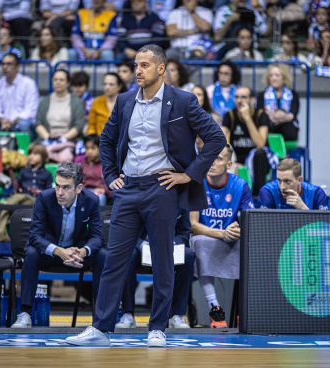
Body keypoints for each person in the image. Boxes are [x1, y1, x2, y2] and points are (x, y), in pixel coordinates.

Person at [65, 44, 226, 347]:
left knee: (162, 259)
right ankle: (100, 329)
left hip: (162, 187)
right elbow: (107, 138)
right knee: (114, 259)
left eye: (144, 66)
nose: (138, 71)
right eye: (136, 65)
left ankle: (157, 328)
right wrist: (111, 175)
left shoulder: (184, 101)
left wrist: (188, 174)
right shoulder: (125, 100)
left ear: (161, 69)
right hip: (127, 189)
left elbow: (216, 138)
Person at [11, 162, 106, 328]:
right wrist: (59, 251)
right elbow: (34, 236)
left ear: (79, 188)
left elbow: (98, 237)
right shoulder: (44, 198)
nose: (60, 193)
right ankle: (25, 313)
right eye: (57, 186)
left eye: (66, 187)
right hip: (50, 254)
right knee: (31, 254)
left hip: (77, 256)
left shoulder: (91, 200)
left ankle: (101, 316)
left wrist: (83, 251)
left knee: (103, 256)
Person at [189, 144, 254, 328]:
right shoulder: (197, 182)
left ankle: (245, 310)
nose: (212, 162)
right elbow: (193, 225)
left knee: (249, 245)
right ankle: (215, 308)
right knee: (199, 243)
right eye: (210, 157)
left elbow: (248, 222)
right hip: (206, 236)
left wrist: (237, 231)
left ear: (228, 164)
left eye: (218, 158)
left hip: (231, 239)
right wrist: (222, 233)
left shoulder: (240, 185)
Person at [115, 208, 194, 329]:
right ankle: (128, 313)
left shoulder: (180, 201)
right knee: (128, 255)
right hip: (141, 249)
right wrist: (143, 245)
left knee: (188, 255)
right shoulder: (140, 196)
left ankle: (177, 315)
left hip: (168, 248)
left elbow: (184, 234)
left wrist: (171, 244)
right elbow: (128, 231)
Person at [0, 142, 53, 242]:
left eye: (35, 154)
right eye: (29, 154)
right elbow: (17, 188)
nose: (31, 156)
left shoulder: (47, 174)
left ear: (43, 157)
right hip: (22, 200)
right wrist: (17, 190)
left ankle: (2, 209)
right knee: (18, 198)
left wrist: (40, 192)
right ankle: (2, 233)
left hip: (36, 201)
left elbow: (49, 192)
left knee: (11, 202)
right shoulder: (23, 171)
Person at [222, 85, 270, 195]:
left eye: (243, 97)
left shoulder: (260, 114)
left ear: (252, 100)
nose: (239, 101)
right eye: (237, 97)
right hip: (237, 159)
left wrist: (247, 118)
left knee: (260, 154)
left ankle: (259, 197)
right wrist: (233, 163)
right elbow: (221, 140)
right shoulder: (230, 115)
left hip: (257, 159)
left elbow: (260, 144)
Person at [0, 53, 39, 145]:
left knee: (24, 124)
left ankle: (27, 154)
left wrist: (12, 122)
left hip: (19, 123)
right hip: (1, 124)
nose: (5, 67)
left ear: (17, 67)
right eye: (3, 64)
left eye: (9, 64)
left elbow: (30, 112)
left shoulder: (29, 83)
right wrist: (3, 121)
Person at [35, 70, 86, 142]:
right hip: (47, 140)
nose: (58, 82)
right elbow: (38, 123)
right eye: (55, 80)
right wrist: (48, 138)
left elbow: (79, 125)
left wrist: (62, 139)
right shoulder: (44, 101)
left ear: (68, 83)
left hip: (69, 140)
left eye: (61, 80)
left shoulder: (76, 102)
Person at [258, 158, 328, 209]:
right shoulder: (268, 192)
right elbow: (264, 226)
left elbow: (323, 226)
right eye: (279, 180)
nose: (282, 187)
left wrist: (303, 208)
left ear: (299, 180)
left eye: (287, 181)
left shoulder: (316, 193)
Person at [256, 64, 299, 142]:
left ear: (284, 78)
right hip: (269, 126)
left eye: (277, 75)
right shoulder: (262, 95)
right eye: (271, 76)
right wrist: (269, 115)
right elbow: (259, 112)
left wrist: (284, 116)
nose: (274, 78)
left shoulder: (293, 94)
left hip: (287, 128)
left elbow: (294, 112)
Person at [79, 134, 111, 206]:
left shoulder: (104, 165)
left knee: (99, 198)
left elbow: (109, 183)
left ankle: (99, 217)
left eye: (93, 148)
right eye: (87, 148)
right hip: (84, 191)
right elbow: (78, 182)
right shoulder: (81, 164)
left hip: (99, 192)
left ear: (100, 148)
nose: (89, 151)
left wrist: (104, 190)